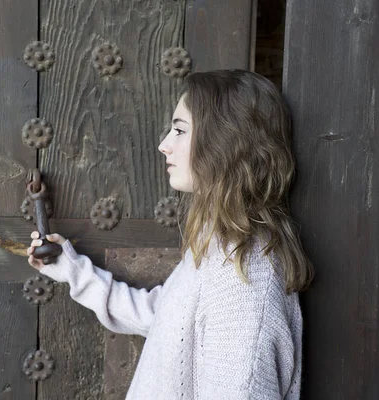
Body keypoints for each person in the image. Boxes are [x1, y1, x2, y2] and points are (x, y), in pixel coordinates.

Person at [27, 70, 314, 399]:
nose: (164, 145)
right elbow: (164, 320)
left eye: (180, 130)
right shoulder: (221, 245)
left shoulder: (245, 283)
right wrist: (72, 271)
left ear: (224, 140)